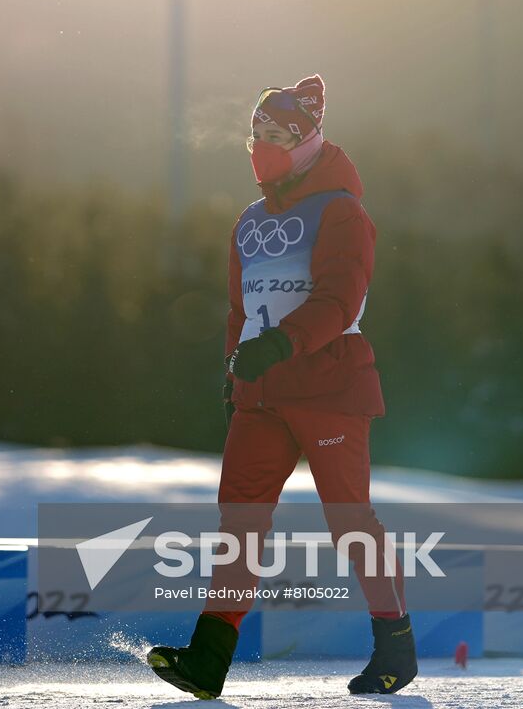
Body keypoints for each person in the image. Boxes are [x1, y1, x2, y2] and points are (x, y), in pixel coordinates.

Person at [147, 75, 418, 699]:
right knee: (239, 520)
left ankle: (394, 646)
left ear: (305, 142)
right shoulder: (247, 222)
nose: (261, 147)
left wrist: (282, 344)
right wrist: (234, 373)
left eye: (275, 137)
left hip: (327, 385)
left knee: (350, 519)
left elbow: (340, 296)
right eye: (255, 135)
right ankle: (208, 658)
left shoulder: (342, 210)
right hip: (262, 394)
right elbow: (240, 310)